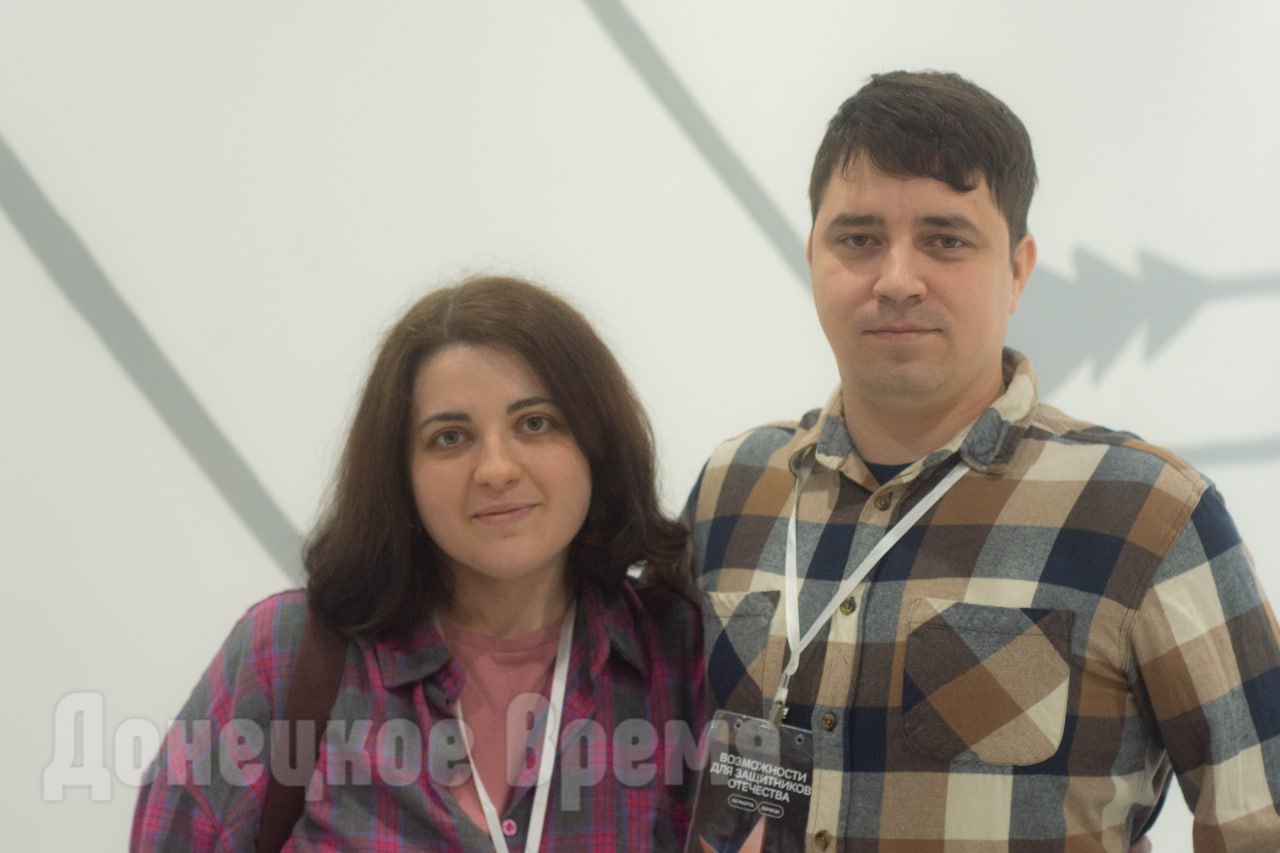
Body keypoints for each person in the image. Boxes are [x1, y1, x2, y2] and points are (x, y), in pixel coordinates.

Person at [678, 71, 1280, 850]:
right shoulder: (733, 490)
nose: (897, 279)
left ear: (1018, 268)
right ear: (813, 256)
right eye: (858, 239)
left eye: (946, 240)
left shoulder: (1147, 514)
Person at [132, 275, 705, 850]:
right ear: (400, 473)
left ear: (598, 445)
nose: (496, 469)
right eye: (451, 437)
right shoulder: (287, 654)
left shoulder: (680, 655)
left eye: (535, 423)